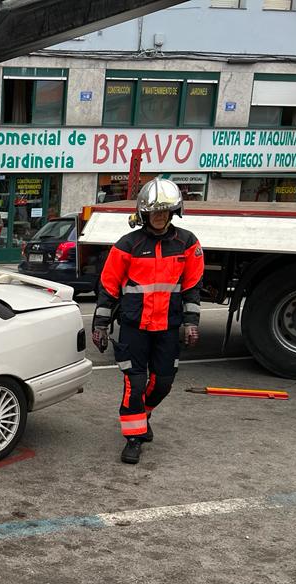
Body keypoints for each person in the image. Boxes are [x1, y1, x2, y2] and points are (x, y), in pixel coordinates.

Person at [91, 179, 203, 465]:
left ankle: (143, 414)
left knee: (163, 383)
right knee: (135, 383)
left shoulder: (187, 243)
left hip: (167, 327)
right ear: (144, 214)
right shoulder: (128, 245)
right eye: (155, 212)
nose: (160, 217)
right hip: (134, 327)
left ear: (174, 212)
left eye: (165, 212)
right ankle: (134, 438)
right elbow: (108, 287)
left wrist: (191, 322)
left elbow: (192, 287)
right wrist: (100, 325)